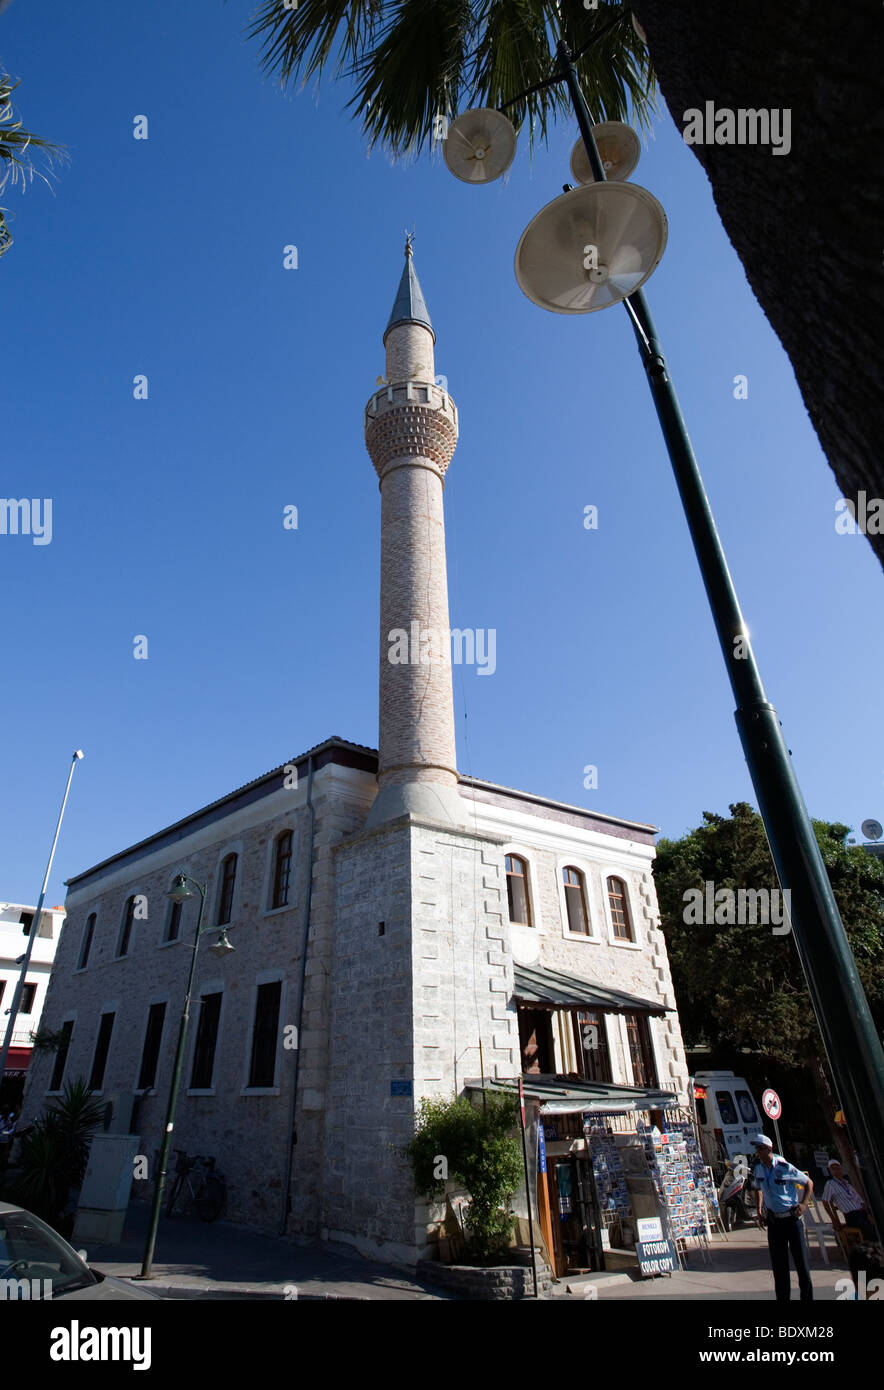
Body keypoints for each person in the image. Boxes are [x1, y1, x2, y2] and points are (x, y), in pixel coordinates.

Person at [752, 1133, 814, 1302]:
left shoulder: (783, 1166)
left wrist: (803, 1204)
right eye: (757, 1148)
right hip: (774, 1221)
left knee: (801, 1264)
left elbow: (808, 1183)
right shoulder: (758, 1167)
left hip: (791, 1219)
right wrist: (759, 1209)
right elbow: (757, 1187)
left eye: (761, 1148)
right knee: (779, 1267)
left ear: (769, 1149)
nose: (758, 1152)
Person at [821, 1159, 876, 1240]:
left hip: (862, 1213)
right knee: (868, 1229)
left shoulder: (847, 1184)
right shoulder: (830, 1184)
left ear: (841, 1169)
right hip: (852, 1216)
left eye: (838, 1168)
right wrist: (834, 1220)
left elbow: (861, 1201)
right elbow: (825, 1201)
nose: (836, 1171)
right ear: (830, 1171)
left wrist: (868, 1213)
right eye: (833, 1169)